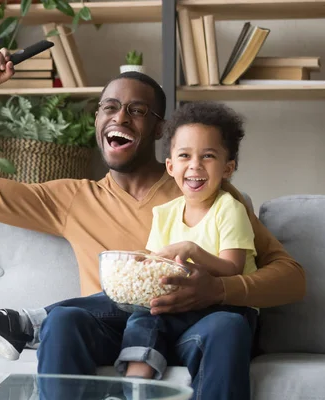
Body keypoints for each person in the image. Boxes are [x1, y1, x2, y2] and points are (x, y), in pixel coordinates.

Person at [0, 48, 306, 399]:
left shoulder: (204, 192)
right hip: (115, 331)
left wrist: (219, 291)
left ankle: (29, 323)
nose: (120, 118)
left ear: (161, 129)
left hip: (196, 326)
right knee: (63, 321)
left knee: (227, 326)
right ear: (97, 120)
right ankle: (33, 324)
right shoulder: (72, 199)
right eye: (109, 108)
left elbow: (291, 278)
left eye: (137, 110)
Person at [109, 101, 258, 381]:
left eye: (208, 156)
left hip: (226, 307)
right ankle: (137, 384)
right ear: (170, 165)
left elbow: (232, 268)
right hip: (180, 309)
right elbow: (156, 266)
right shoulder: (164, 214)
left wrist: (192, 250)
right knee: (145, 314)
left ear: (228, 168)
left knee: (165, 314)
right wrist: (140, 262)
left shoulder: (229, 208)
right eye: (185, 156)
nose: (195, 166)